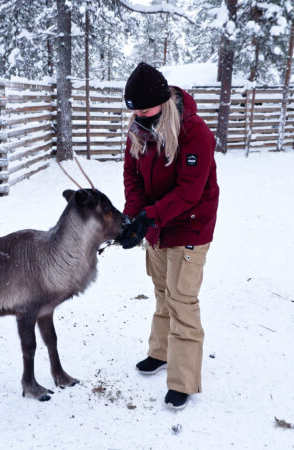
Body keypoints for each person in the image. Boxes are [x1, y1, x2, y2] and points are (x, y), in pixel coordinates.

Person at [118, 62, 219, 410]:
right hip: (159, 227)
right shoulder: (140, 129)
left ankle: (183, 381)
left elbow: (190, 192)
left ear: (161, 102)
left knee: (182, 301)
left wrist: (149, 216)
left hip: (189, 227)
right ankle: (159, 353)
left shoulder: (195, 134)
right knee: (162, 292)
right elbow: (132, 176)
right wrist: (133, 216)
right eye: (134, 111)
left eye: (144, 109)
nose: (138, 116)